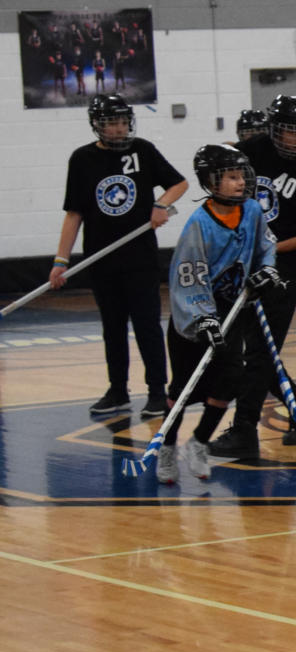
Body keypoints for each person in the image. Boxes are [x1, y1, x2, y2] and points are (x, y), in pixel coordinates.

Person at [209, 94, 296, 459]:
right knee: (257, 349)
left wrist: (270, 252)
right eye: (290, 132)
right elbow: (219, 172)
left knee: (260, 351)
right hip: (241, 265)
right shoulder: (251, 152)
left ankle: (244, 430)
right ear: (274, 130)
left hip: (283, 272)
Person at [53, 94, 187, 417]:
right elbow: (74, 214)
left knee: (146, 326)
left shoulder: (142, 150)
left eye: (123, 122)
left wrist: (160, 205)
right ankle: (118, 391)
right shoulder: (82, 159)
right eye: (112, 123)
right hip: (101, 259)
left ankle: (158, 392)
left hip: (139, 259)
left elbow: (179, 184)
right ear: (97, 125)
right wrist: (60, 261)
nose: (119, 128)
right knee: (112, 327)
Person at [157, 144, 281, 485]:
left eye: (241, 175)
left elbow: (266, 246)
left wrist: (267, 271)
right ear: (211, 181)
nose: (240, 182)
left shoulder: (253, 211)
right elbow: (188, 276)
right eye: (230, 177)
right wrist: (203, 318)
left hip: (232, 311)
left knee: (229, 379)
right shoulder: (199, 224)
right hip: (194, 317)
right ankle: (167, 448)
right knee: (183, 388)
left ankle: (198, 442)